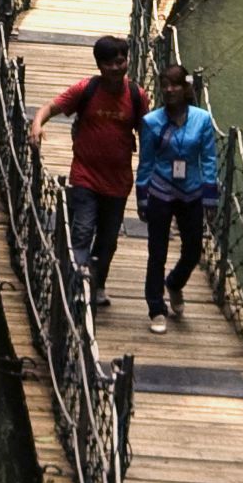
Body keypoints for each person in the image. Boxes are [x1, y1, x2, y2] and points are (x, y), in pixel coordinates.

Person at [29, 33, 145, 303]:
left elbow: (146, 132)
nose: (117, 68)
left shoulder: (138, 97)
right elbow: (49, 107)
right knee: (81, 229)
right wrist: (37, 126)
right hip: (85, 175)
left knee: (107, 240)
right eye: (110, 63)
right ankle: (77, 285)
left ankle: (98, 284)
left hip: (118, 181)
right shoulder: (86, 90)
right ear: (99, 65)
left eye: (121, 61)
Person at [138, 67, 220, 325]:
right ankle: (156, 308)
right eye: (165, 85)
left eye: (175, 85)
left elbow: (208, 158)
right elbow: (146, 161)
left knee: (193, 249)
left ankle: (174, 283)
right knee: (157, 251)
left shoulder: (203, 120)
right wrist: (142, 197)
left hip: (192, 191)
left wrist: (210, 197)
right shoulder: (152, 122)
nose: (170, 90)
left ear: (186, 88)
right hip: (161, 189)